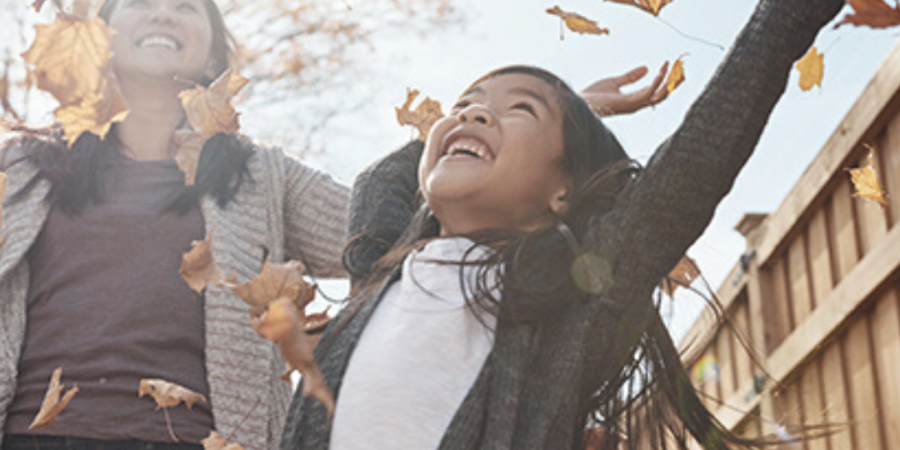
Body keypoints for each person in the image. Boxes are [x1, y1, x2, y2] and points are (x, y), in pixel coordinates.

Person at [0, 1, 669, 449]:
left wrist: (558, 123)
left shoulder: (260, 177)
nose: (165, 10)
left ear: (212, 62)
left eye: (188, 5)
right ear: (96, 40)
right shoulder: (21, 168)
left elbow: (410, 218)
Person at [279, 0, 847, 449]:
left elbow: (699, 159)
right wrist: (561, 115)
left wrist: (788, 14)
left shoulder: (568, 308)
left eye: (520, 109)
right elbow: (382, 180)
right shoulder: (380, 271)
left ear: (563, 191)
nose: (474, 113)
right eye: (465, 103)